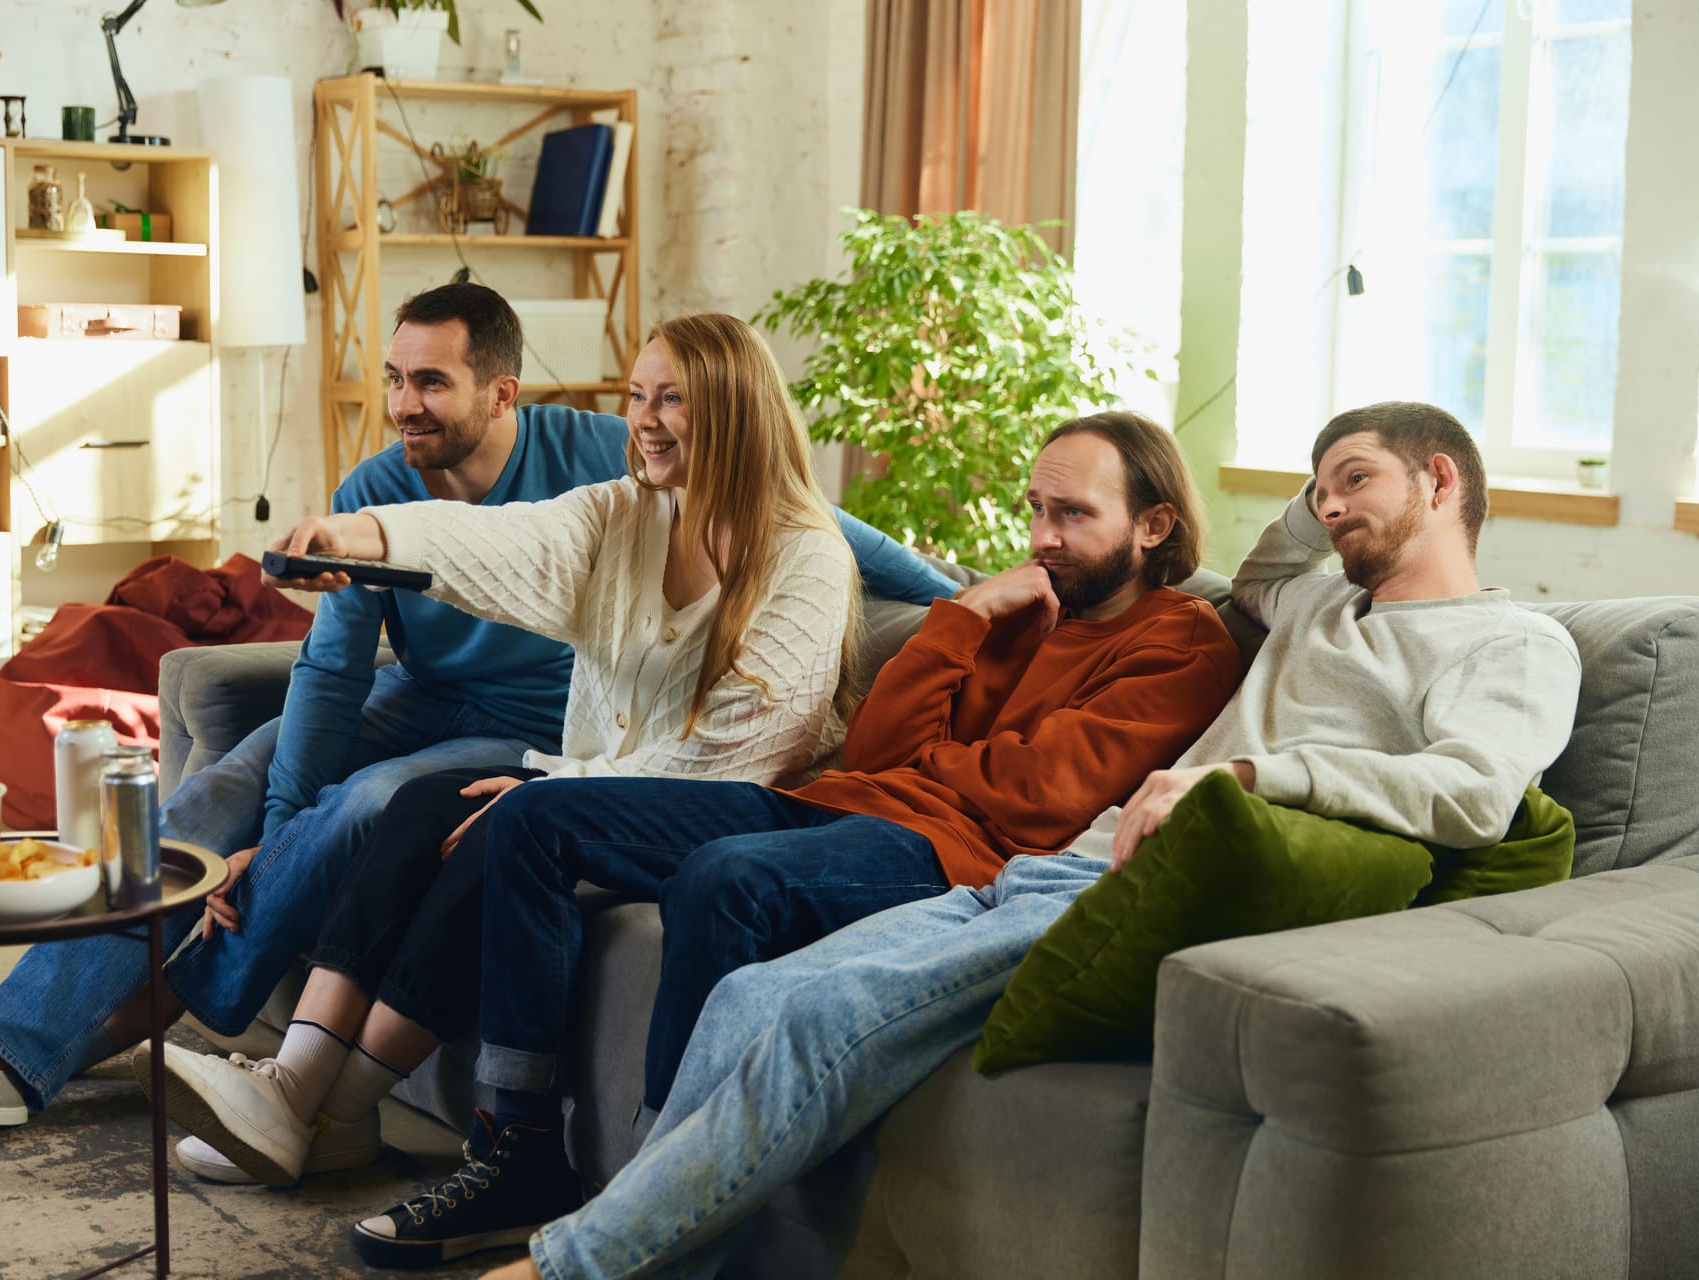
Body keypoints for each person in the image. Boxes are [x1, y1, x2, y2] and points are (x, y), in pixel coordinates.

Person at [475, 400, 1585, 1280]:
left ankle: (572, 1261)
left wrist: (1253, 770)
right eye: (1318, 484)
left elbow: (1475, 791)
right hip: (1048, 864)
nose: (1328, 506)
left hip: (1143, 876)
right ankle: (653, 1251)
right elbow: (1259, 567)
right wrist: (1330, 475)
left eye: (1358, 481)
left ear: (1443, 483)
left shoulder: (1515, 642)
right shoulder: (1310, 607)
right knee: (752, 998)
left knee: (828, 1008)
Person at [0, 287, 956, 1130]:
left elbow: (799, 513)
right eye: (395, 379)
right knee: (226, 786)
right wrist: (263, 834)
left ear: (501, 392)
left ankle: (199, 1002)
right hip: (411, 694)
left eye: (431, 383)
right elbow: (332, 670)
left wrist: (962, 591)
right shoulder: (386, 481)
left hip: (520, 721)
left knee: (375, 802)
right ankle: (12, 1040)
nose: (405, 406)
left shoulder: (598, 462)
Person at [324, 409, 1246, 1268]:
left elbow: (1036, 800)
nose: (1043, 538)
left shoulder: (1185, 644)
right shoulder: (1016, 612)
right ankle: (517, 1148)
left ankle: (660, 1190)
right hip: (844, 800)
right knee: (534, 817)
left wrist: (948, 757)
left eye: (1073, 515)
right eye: (1036, 510)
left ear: (1155, 525)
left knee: (727, 880)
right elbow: (886, 745)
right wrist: (961, 617)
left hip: (948, 856)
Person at [143, 311, 873, 1203]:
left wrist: (557, 788)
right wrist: (356, 539)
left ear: (734, 409)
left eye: (672, 399)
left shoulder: (806, 555)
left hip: (729, 812)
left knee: (505, 822)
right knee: (419, 804)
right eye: (638, 396)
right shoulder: (621, 515)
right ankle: (294, 1090)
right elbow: (499, 541)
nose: (644, 419)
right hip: (600, 793)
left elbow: (738, 759)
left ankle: (328, 1112)